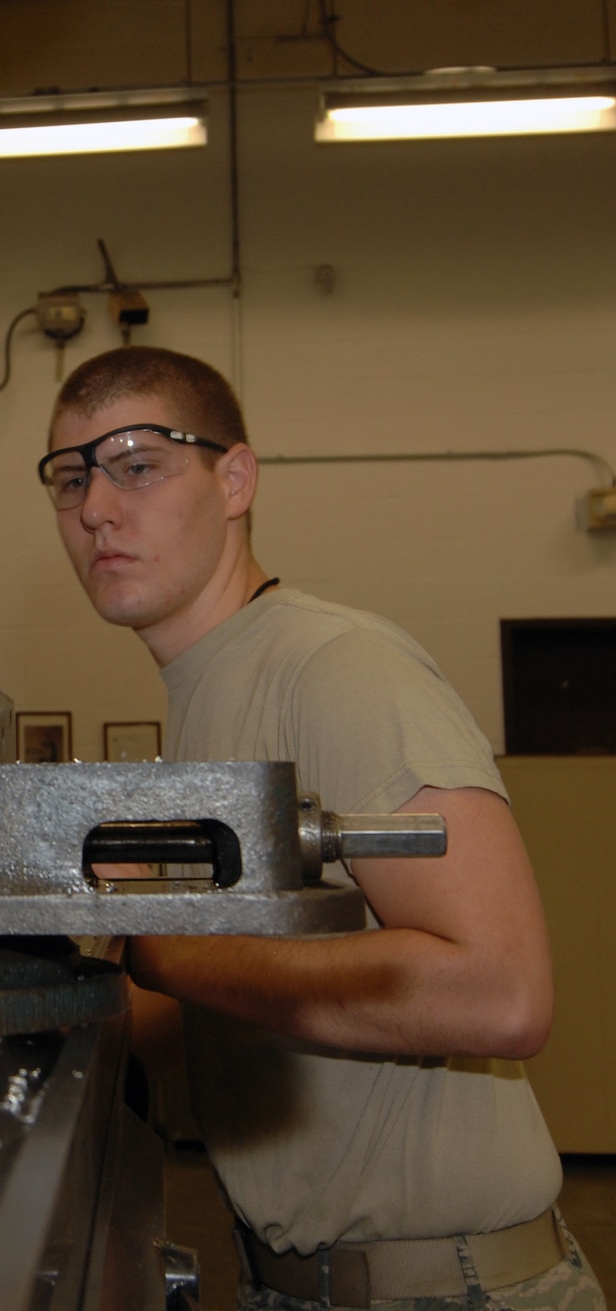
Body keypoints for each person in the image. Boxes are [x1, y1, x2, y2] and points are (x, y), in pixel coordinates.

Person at [38, 346, 604, 1311]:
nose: (95, 507)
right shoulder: (208, 705)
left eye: (137, 464)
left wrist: (159, 945)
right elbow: (212, 1014)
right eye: (69, 477)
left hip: (447, 1288)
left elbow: (503, 993)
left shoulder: (334, 666)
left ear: (236, 479)